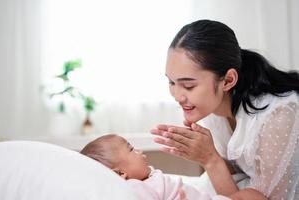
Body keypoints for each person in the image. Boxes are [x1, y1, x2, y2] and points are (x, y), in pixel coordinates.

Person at [150, 19, 299, 200]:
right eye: (171, 82)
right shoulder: (213, 105)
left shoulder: (279, 115)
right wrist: (200, 151)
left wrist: (209, 159)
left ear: (228, 81)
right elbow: (236, 172)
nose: (177, 96)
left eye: (188, 86)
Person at [81, 134, 265, 200]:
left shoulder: (146, 179)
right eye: (132, 149)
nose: (139, 151)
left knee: (251, 195)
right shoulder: (135, 188)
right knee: (251, 196)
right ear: (121, 173)